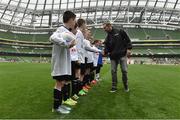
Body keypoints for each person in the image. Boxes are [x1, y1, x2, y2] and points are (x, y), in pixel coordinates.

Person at [50, 11, 76, 114]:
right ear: (70, 20)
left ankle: (59, 105)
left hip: (64, 63)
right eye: (74, 20)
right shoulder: (61, 30)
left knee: (62, 83)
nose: (74, 22)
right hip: (60, 63)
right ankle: (56, 107)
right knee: (59, 83)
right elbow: (52, 38)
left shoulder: (66, 31)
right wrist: (66, 44)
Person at [103, 22, 132, 93]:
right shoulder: (107, 37)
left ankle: (126, 85)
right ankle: (114, 87)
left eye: (104, 28)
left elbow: (128, 40)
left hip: (122, 54)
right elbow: (106, 47)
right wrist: (105, 52)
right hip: (113, 56)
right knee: (113, 71)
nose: (104, 30)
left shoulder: (120, 31)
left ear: (109, 26)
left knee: (124, 71)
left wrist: (129, 49)